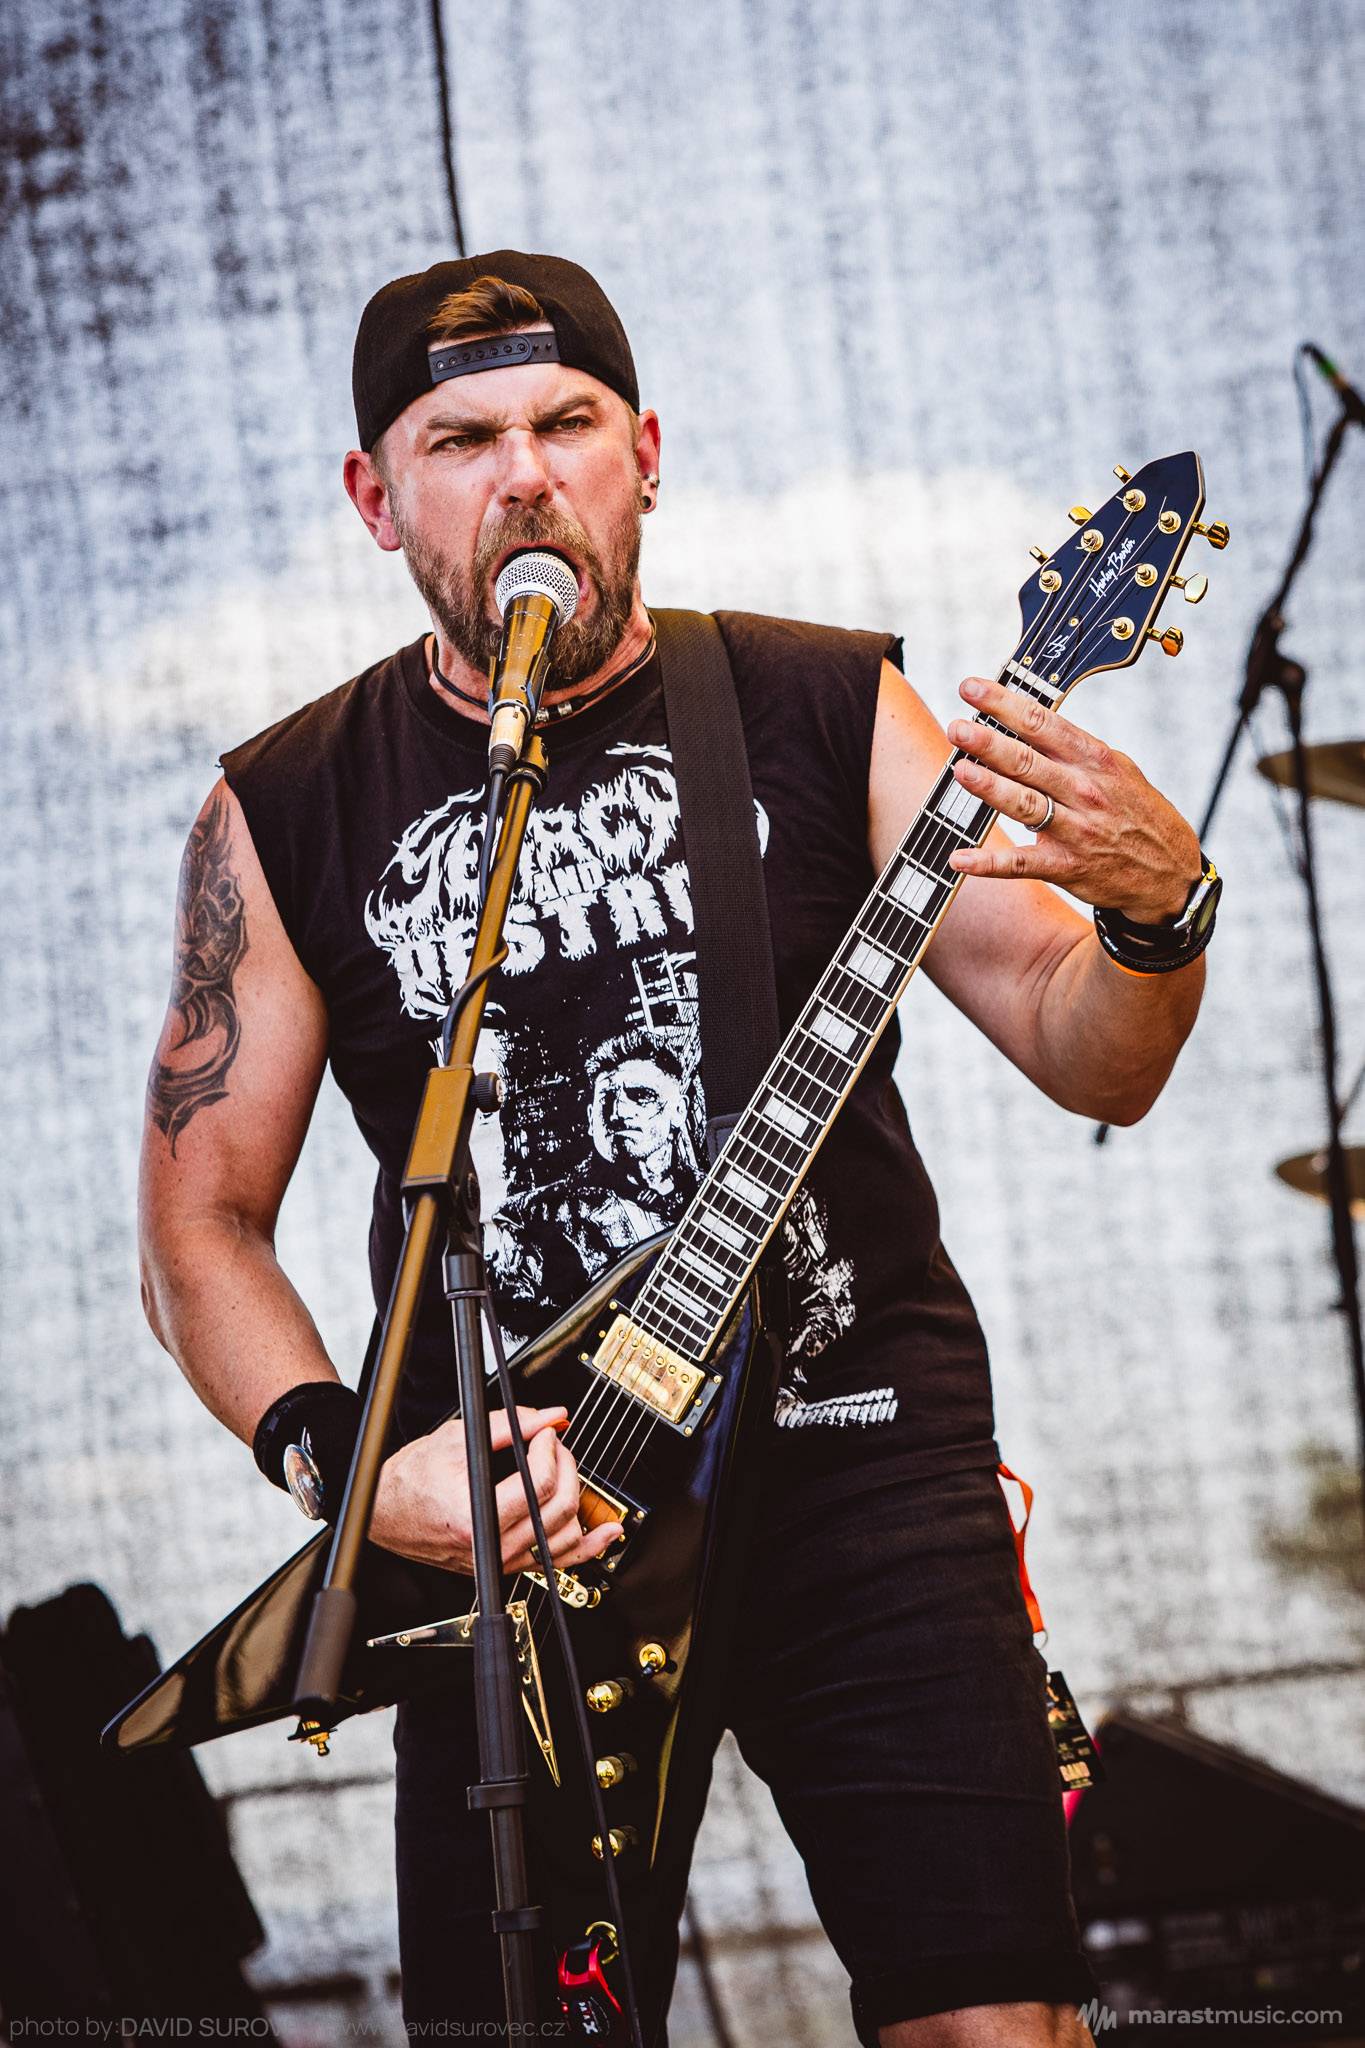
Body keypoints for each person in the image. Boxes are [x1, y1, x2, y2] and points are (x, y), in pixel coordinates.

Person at [138, 250, 1216, 2046]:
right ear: (375, 498)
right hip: (524, 1522)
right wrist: (354, 1471)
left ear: (644, 455)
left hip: (860, 1460)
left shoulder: (820, 705)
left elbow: (1078, 1047)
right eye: (460, 439)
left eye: (566, 423)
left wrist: (1157, 917)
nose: (523, 474)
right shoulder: (288, 803)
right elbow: (201, 1221)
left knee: (994, 2019)